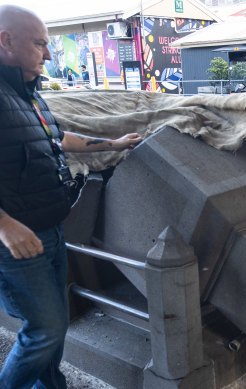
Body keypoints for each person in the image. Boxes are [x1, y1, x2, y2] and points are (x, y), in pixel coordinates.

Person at [0, 5, 142, 388]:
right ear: (5, 41)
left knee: (55, 325)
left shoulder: (30, 95)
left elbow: (57, 140)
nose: (48, 54)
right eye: (40, 44)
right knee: (44, 329)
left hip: (50, 230)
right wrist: (5, 226)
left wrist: (113, 142)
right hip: (15, 242)